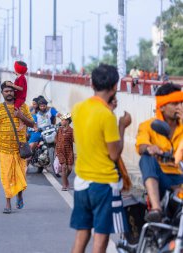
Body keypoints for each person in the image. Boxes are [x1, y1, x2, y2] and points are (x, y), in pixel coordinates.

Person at [70, 64, 131, 253]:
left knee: (82, 233)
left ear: (92, 84)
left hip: (81, 182)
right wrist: (122, 126)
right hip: (103, 183)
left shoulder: (78, 109)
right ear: (115, 86)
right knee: (101, 236)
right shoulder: (107, 116)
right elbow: (114, 153)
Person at [0, 81, 34, 214]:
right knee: (7, 176)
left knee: (20, 175)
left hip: (20, 148)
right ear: (2, 93)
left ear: (14, 92)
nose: (9, 93)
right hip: (4, 149)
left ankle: (20, 194)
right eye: (6, 91)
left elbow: (32, 124)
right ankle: (8, 202)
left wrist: (21, 116)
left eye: (11, 91)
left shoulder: (23, 107)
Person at [136, 83, 183, 222]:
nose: (179, 107)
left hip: (180, 177)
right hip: (161, 177)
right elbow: (141, 145)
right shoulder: (148, 125)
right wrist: (150, 148)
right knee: (146, 158)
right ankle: (156, 209)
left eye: (181, 103)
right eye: (174, 103)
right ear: (162, 106)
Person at [54, 113, 74, 191]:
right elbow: (56, 140)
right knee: (64, 167)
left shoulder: (71, 131)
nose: (61, 121)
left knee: (69, 168)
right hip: (60, 150)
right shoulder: (59, 130)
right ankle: (64, 185)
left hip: (69, 151)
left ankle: (65, 179)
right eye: (61, 120)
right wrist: (56, 150)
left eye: (63, 120)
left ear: (68, 121)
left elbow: (75, 140)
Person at [6, 61, 28, 130]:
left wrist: (12, 85)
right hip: (17, 97)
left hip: (20, 98)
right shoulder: (19, 77)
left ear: (17, 69)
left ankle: (21, 123)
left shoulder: (21, 78)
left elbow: (21, 88)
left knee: (16, 108)